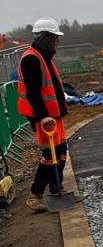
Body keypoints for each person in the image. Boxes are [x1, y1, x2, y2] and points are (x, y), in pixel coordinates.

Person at [17, 18, 68, 211]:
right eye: (54, 38)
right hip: (45, 117)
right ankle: (35, 195)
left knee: (61, 152)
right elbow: (32, 91)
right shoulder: (32, 58)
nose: (57, 42)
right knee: (50, 154)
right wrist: (43, 115)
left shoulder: (44, 57)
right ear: (45, 38)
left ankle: (57, 188)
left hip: (54, 115)